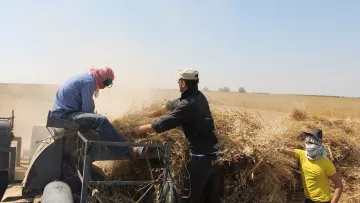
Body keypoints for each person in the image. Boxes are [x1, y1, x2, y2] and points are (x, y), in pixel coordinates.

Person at [132, 68, 224, 203]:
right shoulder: (199, 97)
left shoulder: (188, 105)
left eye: (179, 81)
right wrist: (148, 114)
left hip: (200, 159)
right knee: (211, 199)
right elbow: (171, 105)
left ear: (183, 83)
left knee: (190, 198)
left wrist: (141, 129)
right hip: (216, 157)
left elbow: (167, 121)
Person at [51, 67, 141, 157]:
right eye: (107, 82)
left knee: (98, 119)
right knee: (101, 120)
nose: (106, 86)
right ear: (102, 77)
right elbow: (87, 110)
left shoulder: (87, 77)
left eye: (109, 83)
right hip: (65, 115)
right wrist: (98, 121)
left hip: (62, 112)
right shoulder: (89, 82)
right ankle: (126, 150)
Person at [278, 128, 343, 203]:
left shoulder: (326, 162)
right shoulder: (301, 155)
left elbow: (339, 185)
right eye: (309, 142)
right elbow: (283, 150)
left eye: (314, 143)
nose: (311, 145)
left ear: (320, 144)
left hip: (322, 201)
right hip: (308, 200)